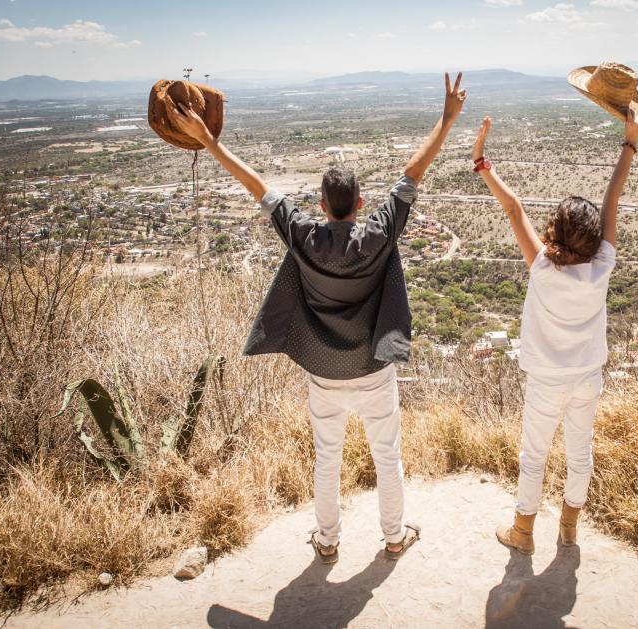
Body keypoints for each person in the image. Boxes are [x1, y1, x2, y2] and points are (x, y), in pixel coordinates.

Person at [165, 72, 468, 564]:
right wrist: (448, 118)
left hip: (323, 374)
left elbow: (255, 186)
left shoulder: (304, 235)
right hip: (373, 369)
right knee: (386, 458)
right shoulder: (378, 234)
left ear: (322, 206)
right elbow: (414, 172)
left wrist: (207, 141)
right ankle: (394, 538)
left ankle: (327, 543)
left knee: (327, 459)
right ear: (361, 205)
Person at [470, 102, 638, 554]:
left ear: (554, 233)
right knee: (579, 453)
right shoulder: (602, 266)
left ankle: (523, 534)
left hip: (546, 380)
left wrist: (482, 162)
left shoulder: (543, 269)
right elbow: (613, 196)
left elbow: (513, 209)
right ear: (595, 239)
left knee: (535, 456)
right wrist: (630, 139)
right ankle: (568, 528)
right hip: (587, 376)